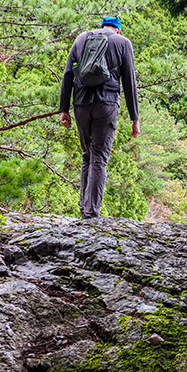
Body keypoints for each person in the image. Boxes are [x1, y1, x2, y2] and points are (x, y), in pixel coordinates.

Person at [59, 16, 140, 219]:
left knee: (88, 154)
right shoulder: (122, 43)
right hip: (106, 104)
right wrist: (134, 118)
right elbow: (129, 82)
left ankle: (83, 208)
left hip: (80, 104)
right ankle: (91, 214)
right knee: (99, 158)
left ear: (102, 26)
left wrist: (63, 109)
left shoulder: (81, 39)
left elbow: (68, 74)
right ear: (118, 30)